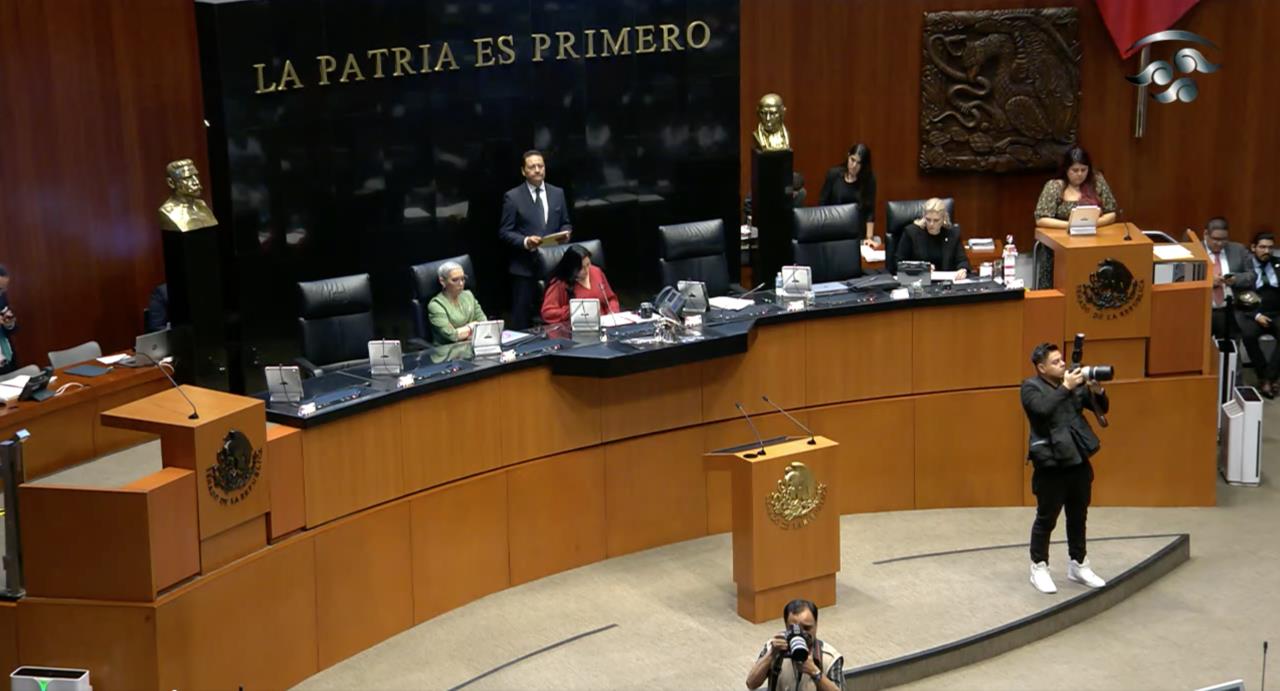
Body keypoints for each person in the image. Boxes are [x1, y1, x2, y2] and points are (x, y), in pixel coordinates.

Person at [1023, 342, 1109, 594]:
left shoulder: (1073, 385)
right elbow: (1041, 410)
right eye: (1055, 362)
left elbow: (1101, 409)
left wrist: (1097, 389)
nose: (1062, 365)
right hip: (1050, 464)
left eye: (1062, 360)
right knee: (1046, 518)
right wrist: (1065, 387)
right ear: (1041, 367)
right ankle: (1039, 567)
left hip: (1078, 460)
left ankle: (1078, 564)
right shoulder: (1030, 387)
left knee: (1078, 515)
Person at [499, 149, 572, 329]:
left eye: (541, 166)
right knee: (523, 321)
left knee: (555, 317)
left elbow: (566, 222)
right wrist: (525, 241)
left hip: (554, 267)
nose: (538, 170)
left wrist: (566, 233)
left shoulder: (557, 193)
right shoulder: (513, 197)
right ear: (524, 171)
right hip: (525, 268)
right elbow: (505, 232)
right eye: (532, 167)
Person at [745, 599, 845, 691]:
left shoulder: (830, 658)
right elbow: (751, 683)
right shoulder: (773, 648)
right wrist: (771, 654)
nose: (801, 634)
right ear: (786, 626)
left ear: (816, 625)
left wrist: (815, 672)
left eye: (807, 628)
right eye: (794, 628)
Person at [1235, 232, 1280, 397]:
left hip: (1277, 312)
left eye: (1270, 247)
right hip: (1254, 312)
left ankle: (1269, 377)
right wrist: (1256, 315)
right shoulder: (1245, 266)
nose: (1266, 250)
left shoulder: (1278, 264)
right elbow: (1240, 294)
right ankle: (1264, 376)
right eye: (1262, 247)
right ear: (1253, 248)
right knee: (1248, 335)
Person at [1034, 146, 1118, 229]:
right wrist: (1072, 225)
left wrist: (1092, 224)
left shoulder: (1097, 182)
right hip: (1062, 235)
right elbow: (1041, 219)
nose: (1080, 174)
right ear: (1066, 169)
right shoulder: (1054, 187)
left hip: (1094, 233)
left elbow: (1111, 213)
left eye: (1083, 170)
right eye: (1075, 170)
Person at [1202, 217, 1256, 340]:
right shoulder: (1194, 251)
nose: (1220, 243)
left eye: (1224, 239)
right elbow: (1182, 279)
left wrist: (1235, 278)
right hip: (1202, 312)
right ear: (1206, 234)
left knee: (1228, 353)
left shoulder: (1239, 250)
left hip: (1229, 312)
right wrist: (1208, 282)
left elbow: (1252, 275)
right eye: (1216, 239)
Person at [540, 245, 619, 325]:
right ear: (572, 268)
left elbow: (611, 299)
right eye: (581, 268)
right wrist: (573, 310)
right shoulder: (559, 283)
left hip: (604, 324)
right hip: (577, 328)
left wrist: (612, 312)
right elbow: (547, 313)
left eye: (588, 264)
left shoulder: (596, 271)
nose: (586, 270)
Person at [893, 197, 970, 277]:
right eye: (928, 219)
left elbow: (962, 261)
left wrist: (962, 270)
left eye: (936, 220)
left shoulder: (952, 234)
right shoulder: (911, 233)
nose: (931, 224)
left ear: (943, 218)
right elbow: (898, 263)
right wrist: (922, 269)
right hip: (918, 282)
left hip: (946, 283)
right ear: (924, 216)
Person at [818, 143, 876, 244]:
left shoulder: (869, 180)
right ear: (848, 156)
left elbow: (870, 211)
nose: (854, 166)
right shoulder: (833, 175)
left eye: (859, 163)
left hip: (857, 234)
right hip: (833, 230)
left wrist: (869, 238)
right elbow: (822, 203)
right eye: (852, 160)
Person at [426, 261, 486, 344]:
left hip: (472, 345)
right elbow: (452, 335)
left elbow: (484, 324)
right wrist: (471, 326)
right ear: (442, 281)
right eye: (455, 280)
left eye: (463, 279)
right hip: (448, 351)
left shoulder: (469, 295)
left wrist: (461, 332)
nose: (461, 283)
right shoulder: (436, 305)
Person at [0, 265, 17, 376]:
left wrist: (9, 324)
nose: (2, 293)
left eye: (4, 288)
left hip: (6, 358)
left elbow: (12, 329)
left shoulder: (1, 297)